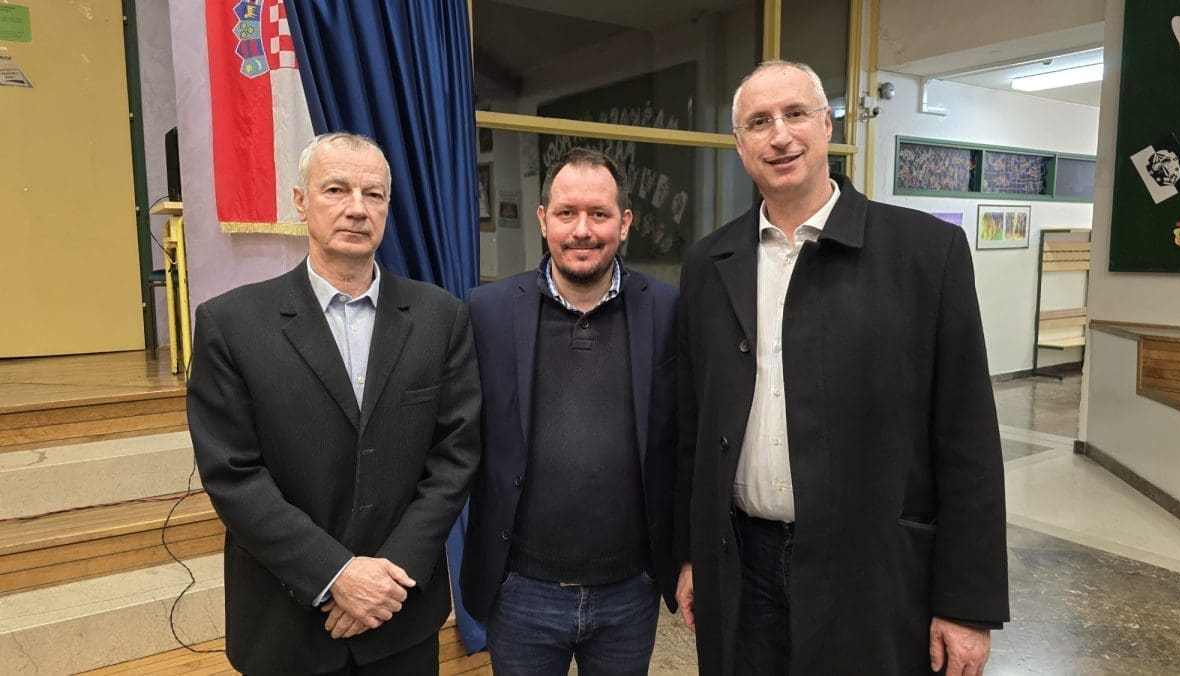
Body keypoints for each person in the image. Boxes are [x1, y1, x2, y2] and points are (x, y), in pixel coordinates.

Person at [673, 61, 1009, 676]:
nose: (780, 135)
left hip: (871, 572)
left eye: (795, 114)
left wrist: (967, 603)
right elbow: (691, 424)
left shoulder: (924, 254)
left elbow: (968, 438)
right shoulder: (709, 263)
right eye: (758, 122)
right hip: (743, 565)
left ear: (828, 125)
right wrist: (693, 555)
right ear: (739, 145)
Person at [187, 132, 481, 675]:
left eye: (374, 194)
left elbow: (455, 458)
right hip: (288, 625)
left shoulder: (441, 318)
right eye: (336, 189)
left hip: (400, 615)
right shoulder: (230, 325)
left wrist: (387, 577)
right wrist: (335, 575)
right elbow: (233, 474)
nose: (357, 208)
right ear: (301, 202)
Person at [461, 147, 679, 675]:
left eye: (599, 214)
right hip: (522, 589)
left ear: (625, 223)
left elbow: (683, 438)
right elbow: (460, 441)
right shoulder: (486, 312)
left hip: (630, 590)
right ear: (543, 220)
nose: (582, 230)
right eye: (566, 213)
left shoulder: (669, 309)